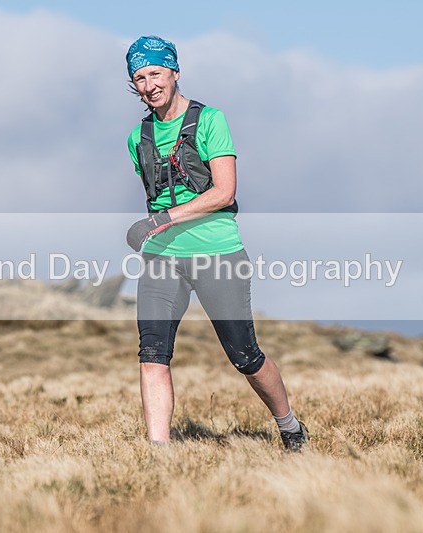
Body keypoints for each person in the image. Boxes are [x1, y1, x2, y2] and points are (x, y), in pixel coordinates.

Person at [125, 36, 309, 451]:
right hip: (163, 258)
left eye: (155, 73)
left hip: (217, 251)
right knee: (151, 353)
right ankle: (160, 456)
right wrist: (158, 227)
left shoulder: (210, 120)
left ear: (174, 72)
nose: (149, 84)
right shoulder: (137, 138)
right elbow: (157, 193)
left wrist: (162, 219)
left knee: (244, 354)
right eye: (139, 77)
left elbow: (224, 192)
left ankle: (290, 426)